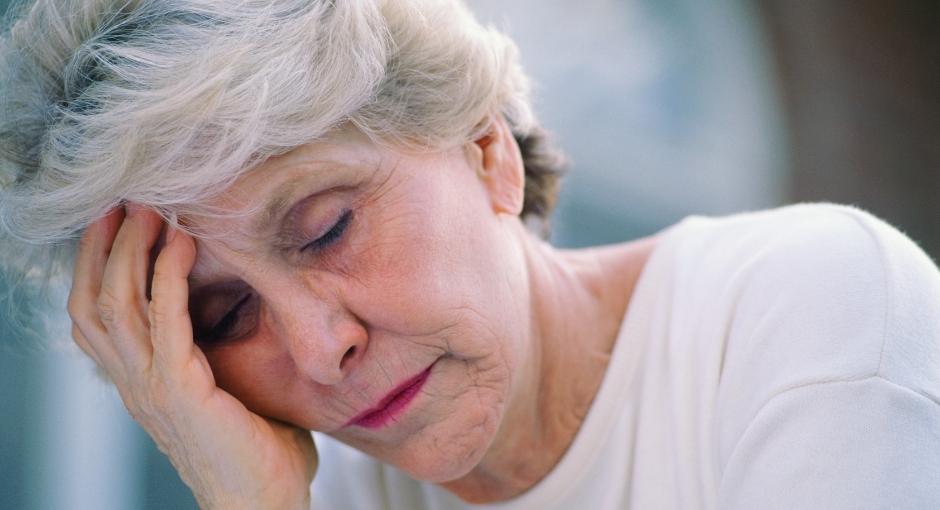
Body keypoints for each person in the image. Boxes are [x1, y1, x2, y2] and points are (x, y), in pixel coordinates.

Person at [1, 1, 938, 509]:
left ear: (486, 149)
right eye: (225, 317)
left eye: (327, 227)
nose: (321, 348)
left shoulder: (808, 309)